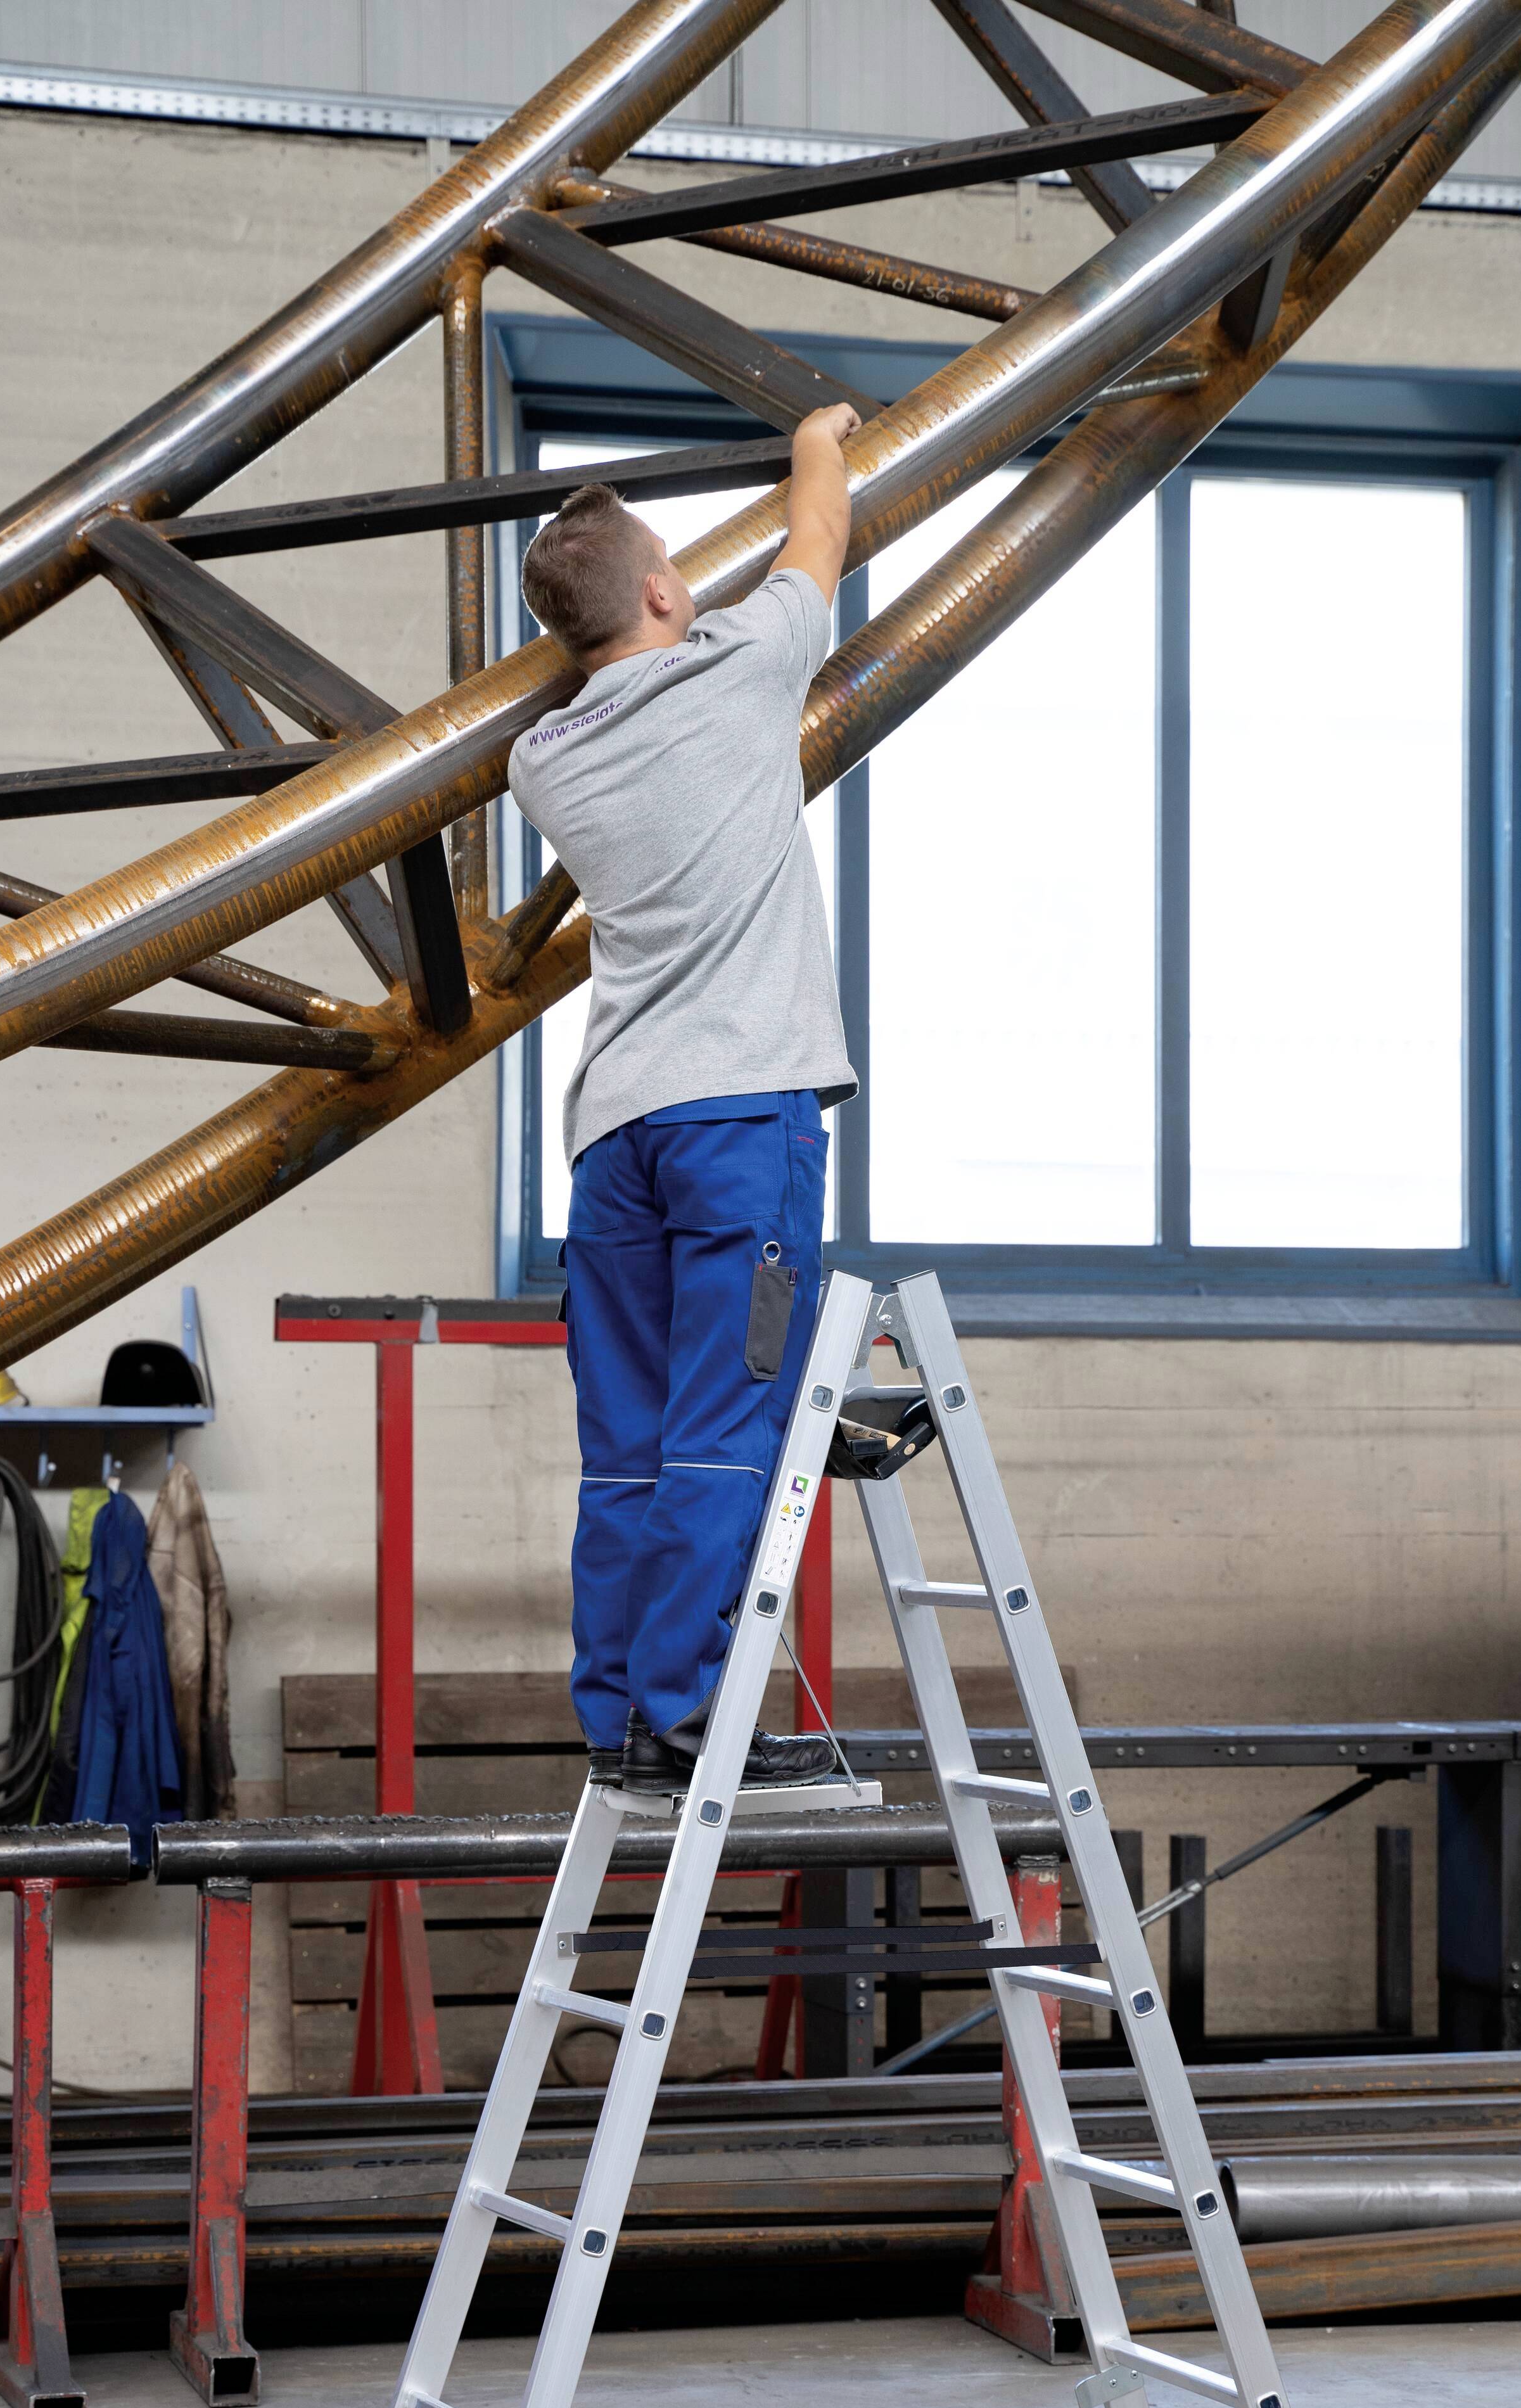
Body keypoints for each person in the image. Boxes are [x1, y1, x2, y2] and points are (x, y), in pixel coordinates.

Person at [509, 404, 863, 1795]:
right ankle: (682, 1720)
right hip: (738, 1121)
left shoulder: (545, 763)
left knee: (630, 1449)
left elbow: (581, 668)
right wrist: (816, 437)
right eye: (674, 570)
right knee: (730, 1423)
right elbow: (818, 528)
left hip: (615, 1141)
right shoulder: (742, 666)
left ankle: (618, 1716)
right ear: (664, 592)